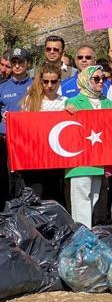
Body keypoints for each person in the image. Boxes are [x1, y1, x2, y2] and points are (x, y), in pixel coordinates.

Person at [63, 66, 112, 228]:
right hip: (80, 161)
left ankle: (87, 235)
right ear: (85, 81)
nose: (101, 82)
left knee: (94, 198)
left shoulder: (109, 104)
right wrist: (65, 111)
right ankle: (82, 240)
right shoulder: (72, 102)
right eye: (96, 79)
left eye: (103, 79)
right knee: (80, 203)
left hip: (100, 161)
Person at [18, 63, 67, 202]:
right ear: (41, 81)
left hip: (56, 159)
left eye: (53, 81)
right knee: (35, 194)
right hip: (34, 157)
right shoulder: (30, 100)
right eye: (46, 81)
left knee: (54, 195)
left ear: (59, 81)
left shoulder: (64, 101)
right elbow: (23, 128)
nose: (49, 85)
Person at [0, 48, 33, 207]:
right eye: (14, 62)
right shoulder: (2, 87)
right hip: (6, 141)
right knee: (8, 180)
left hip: (29, 141)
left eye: (21, 62)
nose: (18, 65)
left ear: (28, 64)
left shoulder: (36, 86)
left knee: (27, 180)